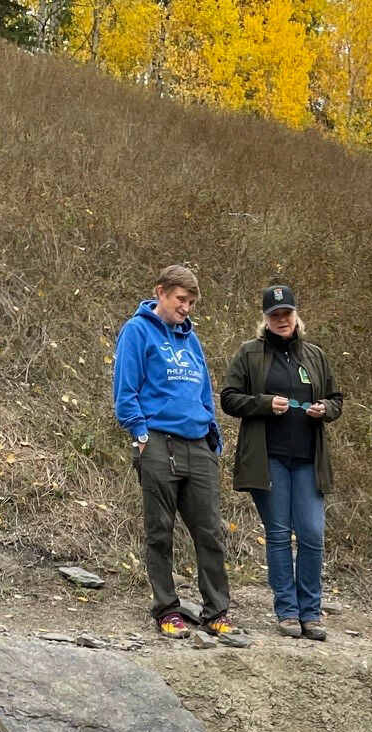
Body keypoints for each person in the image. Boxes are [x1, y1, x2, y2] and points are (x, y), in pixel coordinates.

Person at [112, 264, 246, 647]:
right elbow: (125, 389)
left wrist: (213, 437)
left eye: (191, 302)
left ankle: (216, 613)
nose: (186, 307)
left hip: (198, 446)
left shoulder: (192, 340)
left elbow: (205, 389)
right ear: (161, 293)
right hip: (158, 443)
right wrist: (139, 433)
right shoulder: (137, 331)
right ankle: (167, 609)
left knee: (209, 532)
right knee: (160, 531)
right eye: (181, 300)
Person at [220, 286, 343, 642]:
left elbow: (336, 399)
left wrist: (326, 409)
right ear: (265, 319)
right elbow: (229, 398)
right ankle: (287, 612)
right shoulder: (249, 354)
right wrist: (263, 403)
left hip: (308, 460)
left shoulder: (315, 355)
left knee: (312, 534)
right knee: (277, 535)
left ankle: (311, 613)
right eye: (275, 315)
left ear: (295, 315)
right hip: (268, 459)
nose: (282, 320)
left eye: (286, 313)